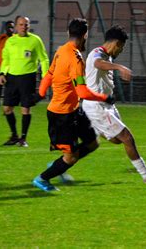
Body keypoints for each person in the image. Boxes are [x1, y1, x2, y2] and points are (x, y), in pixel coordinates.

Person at [32, 18, 115, 192]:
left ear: (68, 33)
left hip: (74, 111)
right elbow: (83, 92)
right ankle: (42, 179)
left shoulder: (60, 51)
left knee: (93, 143)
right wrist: (104, 97)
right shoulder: (76, 59)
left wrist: (40, 94)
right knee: (70, 158)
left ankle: (61, 165)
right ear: (85, 35)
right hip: (62, 115)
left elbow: (48, 75)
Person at [81, 25, 146, 184]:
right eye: (122, 47)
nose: (121, 51)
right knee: (127, 138)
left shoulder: (108, 56)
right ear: (116, 43)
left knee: (102, 142)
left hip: (105, 106)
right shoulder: (97, 54)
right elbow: (98, 64)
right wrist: (119, 67)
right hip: (97, 106)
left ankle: (62, 164)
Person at [0, 16, 49, 147]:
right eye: (20, 24)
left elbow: (44, 59)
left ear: (29, 26)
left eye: (26, 24)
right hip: (11, 78)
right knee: (7, 108)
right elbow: (6, 59)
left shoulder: (35, 40)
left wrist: (45, 76)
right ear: (15, 26)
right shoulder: (10, 41)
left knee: (25, 109)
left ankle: (23, 138)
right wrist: (2, 73)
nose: (23, 27)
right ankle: (14, 136)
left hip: (27, 78)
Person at [0, 21, 15, 114]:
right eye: (9, 27)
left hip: (11, 69)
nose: (10, 29)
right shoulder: (0, 38)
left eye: (12, 27)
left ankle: (7, 108)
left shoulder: (16, 39)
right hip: (0, 69)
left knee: (9, 90)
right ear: (5, 28)